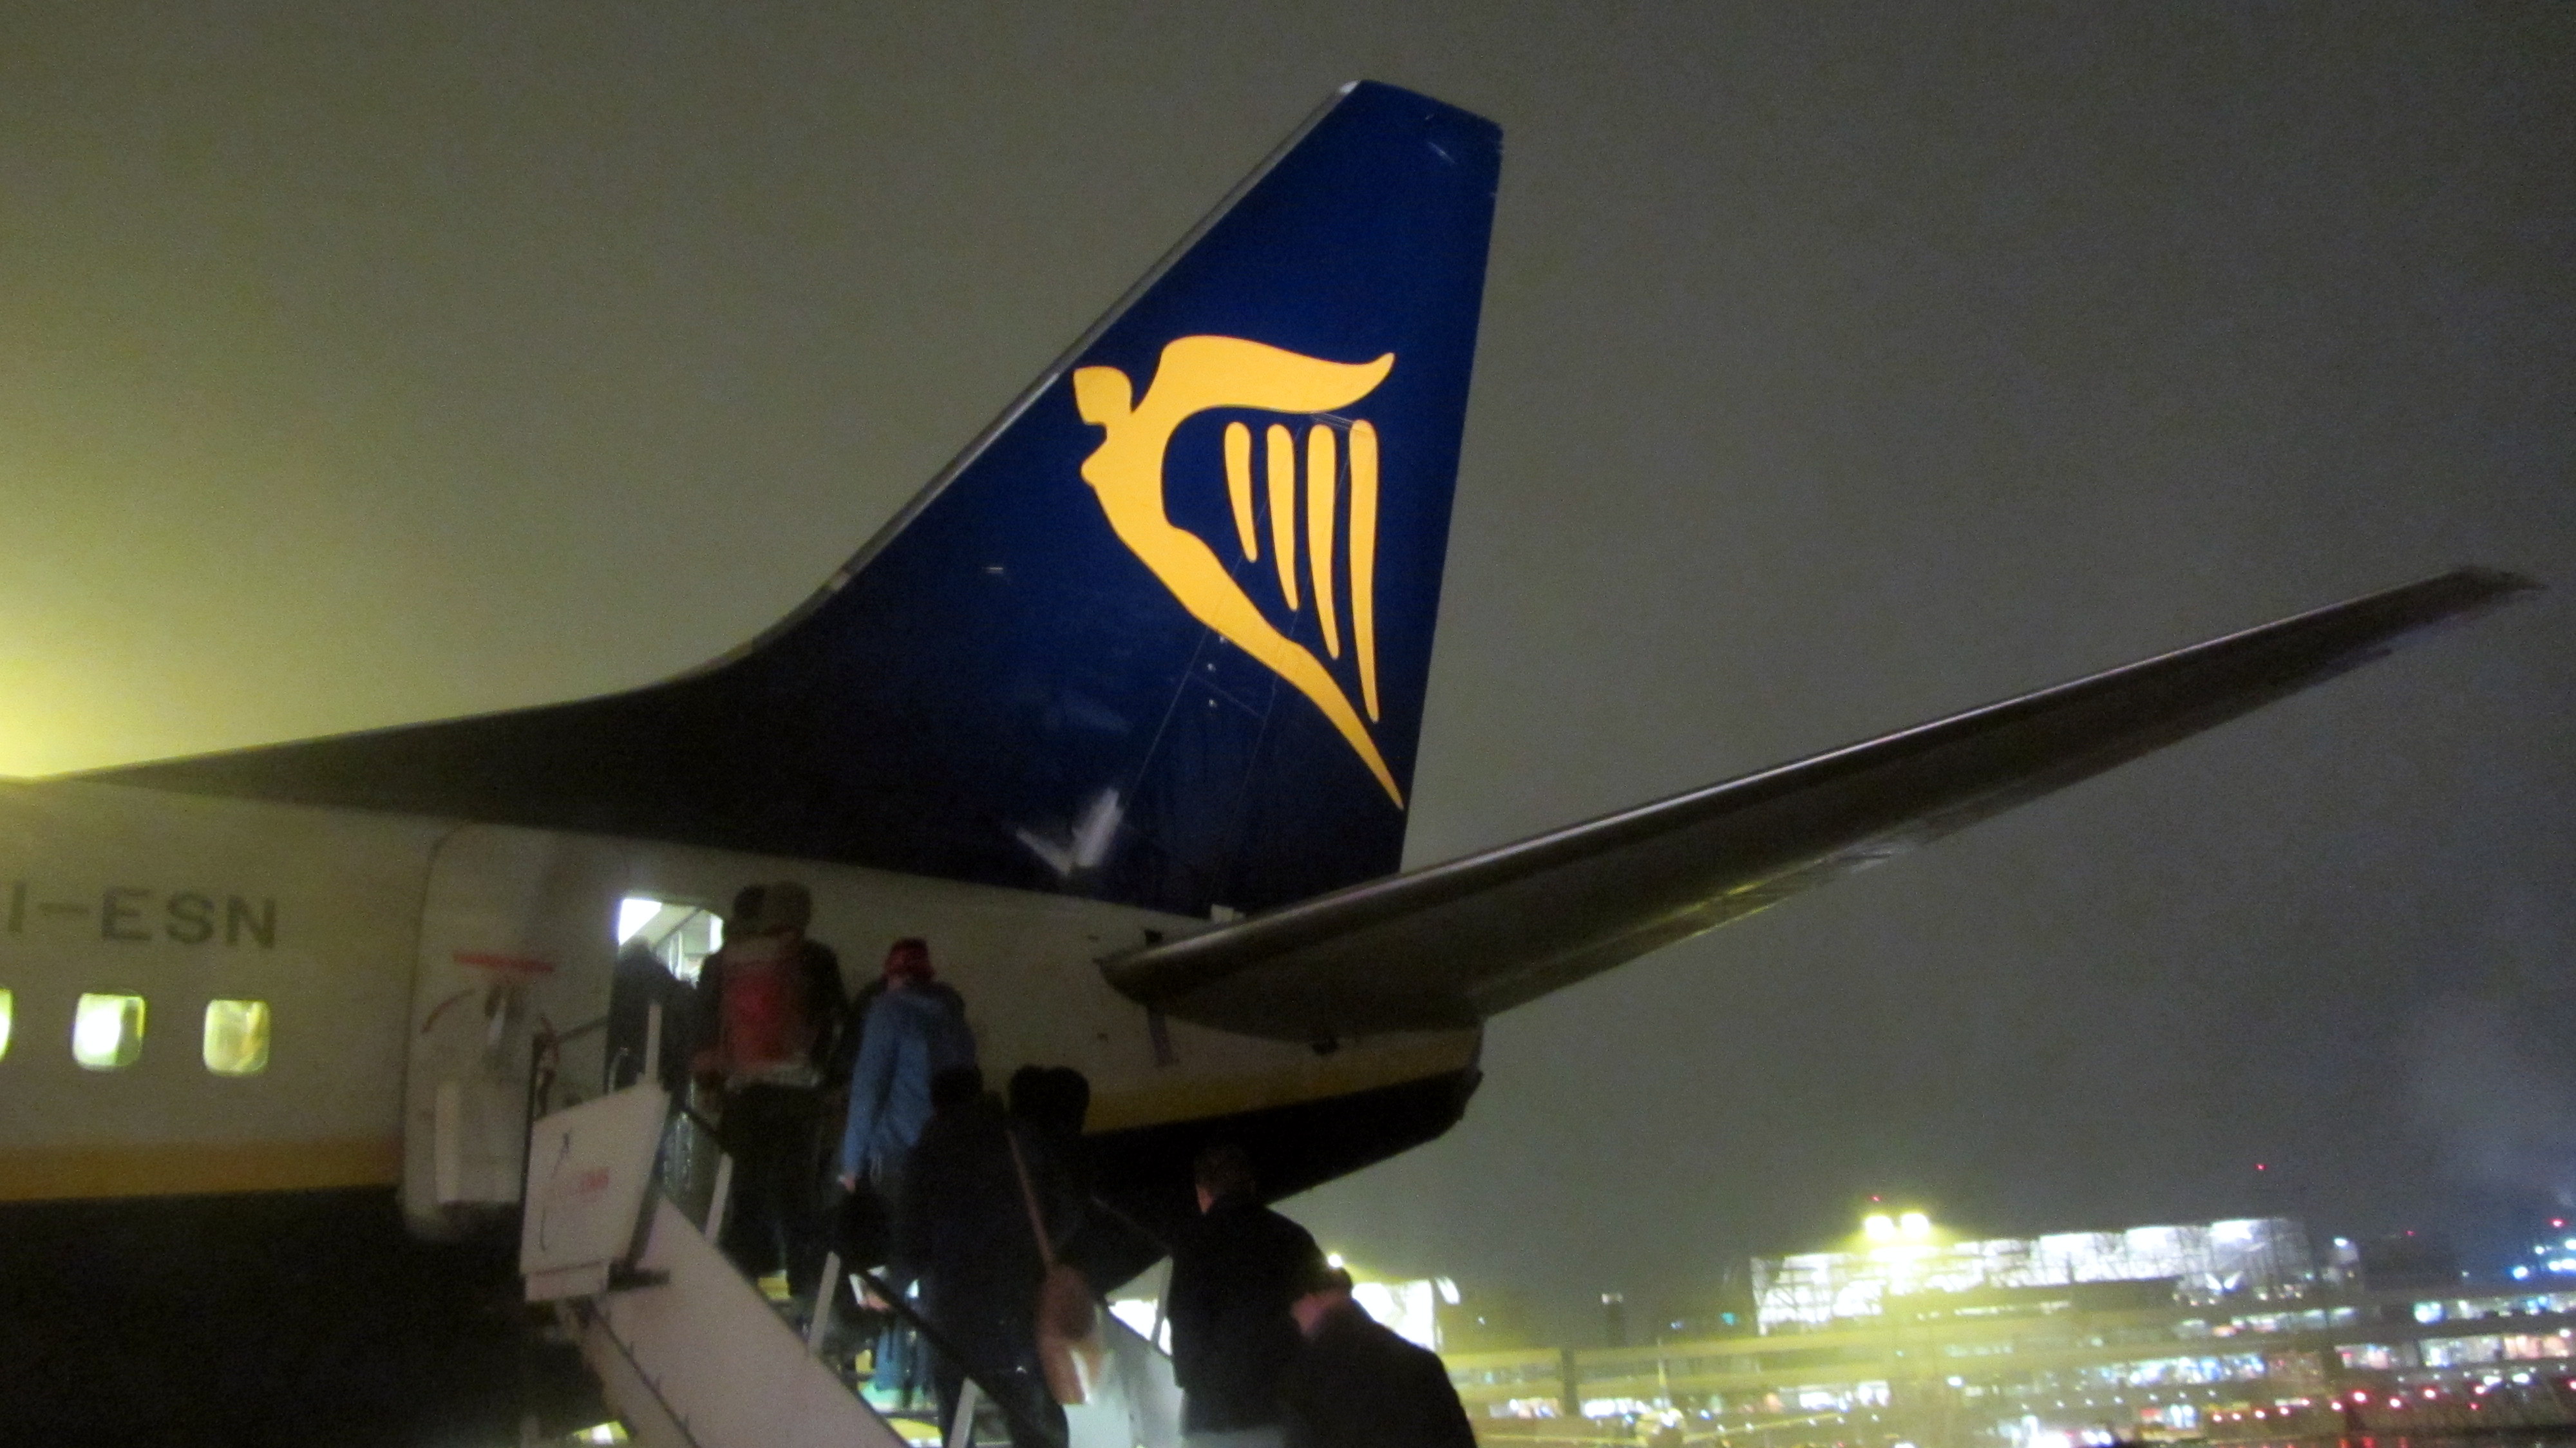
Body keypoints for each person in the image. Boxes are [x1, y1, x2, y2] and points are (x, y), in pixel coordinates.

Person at [889, 1064, 1076, 1448]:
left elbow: (912, 1236)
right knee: (1032, 1409)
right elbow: (1065, 1209)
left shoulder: (928, 1153)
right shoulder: (1018, 1139)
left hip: (955, 1307)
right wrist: (1033, 1252)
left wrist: (892, 1285)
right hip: (1021, 1299)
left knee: (957, 1410)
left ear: (936, 1105)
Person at [692, 881, 846, 1299]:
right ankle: (805, 1288)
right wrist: (831, 1085)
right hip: (801, 1097)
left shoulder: (725, 962)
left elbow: (705, 1026)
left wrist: (709, 1082)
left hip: (744, 1095)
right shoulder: (818, 958)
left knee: (746, 1191)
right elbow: (837, 1026)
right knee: (799, 1196)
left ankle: (741, 1284)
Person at [1166, 1144, 1323, 1448]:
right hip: (1283, 1418)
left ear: (1203, 1193)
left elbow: (1185, 1325)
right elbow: (1323, 1317)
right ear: (1251, 1186)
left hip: (1212, 1420)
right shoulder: (1294, 1240)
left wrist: (1198, 1382)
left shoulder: (1193, 1246)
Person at [836, 938, 976, 1226]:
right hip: (947, 1149)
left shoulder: (887, 1012)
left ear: (892, 975)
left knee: (891, 1235)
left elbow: (868, 1091)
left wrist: (851, 1164)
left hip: (896, 1149)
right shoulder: (953, 1017)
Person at [1278, 1263, 1477, 1448]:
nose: (1295, 1318)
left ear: (1311, 1300)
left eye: (1294, 1308)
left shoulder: (1308, 1375)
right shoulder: (1420, 1362)